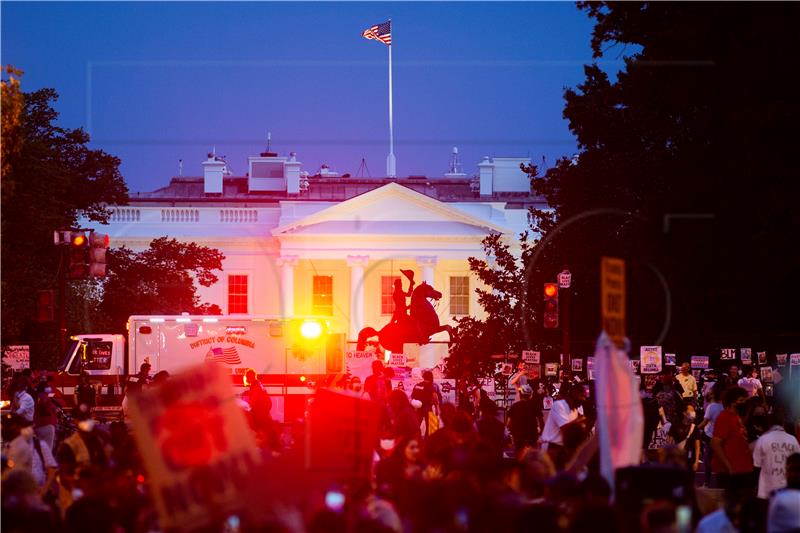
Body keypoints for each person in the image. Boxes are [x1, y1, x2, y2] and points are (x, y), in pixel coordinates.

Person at [712, 386, 754, 491]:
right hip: (731, 471)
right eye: (741, 400)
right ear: (732, 402)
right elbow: (715, 444)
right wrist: (729, 467)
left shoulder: (737, 418)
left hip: (742, 469)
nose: (744, 403)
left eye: (745, 400)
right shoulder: (725, 417)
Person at [753, 410, 800, 499]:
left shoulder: (763, 439)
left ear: (769, 424)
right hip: (787, 490)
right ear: (783, 423)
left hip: (766, 490)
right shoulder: (793, 439)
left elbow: (757, 464)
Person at [540, 382, 586, 470]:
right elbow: (566, 430)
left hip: (563, 449)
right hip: (552, 447)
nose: (583, 399)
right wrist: (580, 420)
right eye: (581, 396)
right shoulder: (559, 405)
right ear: (574, 394)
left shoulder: (576, 409)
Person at [697, 382, 726, 487]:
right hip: (719, 436)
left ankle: (706, 482)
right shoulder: (722, 406)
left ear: (713, 395)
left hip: (710, 436)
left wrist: (694, 428)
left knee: (707, 459)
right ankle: (720, 482)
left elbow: (705, 422)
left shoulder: (711, 407)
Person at [766, 453, 800, 533]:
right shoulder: (777, 496)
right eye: (791, 470)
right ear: (786, 472)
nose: (794, 475)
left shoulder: (777, 496)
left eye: (798, 470)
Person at [507, 384, 541, 454]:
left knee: (518, 456)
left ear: (520, 394)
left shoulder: (514, 406)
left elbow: (509, 423)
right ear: (530, 395)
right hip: (532, 436)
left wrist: (511, 434)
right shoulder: (535, 406)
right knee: (533, 458)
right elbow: (541, 421)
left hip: (518, 437)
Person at [33, 380, 58, 452]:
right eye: (48, 386)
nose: (49, 388)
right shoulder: (44, 397)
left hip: (40, 425)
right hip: (46, 425)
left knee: (42, 450)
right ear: (44, 388)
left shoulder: (39, 397)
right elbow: (44, 407)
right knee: (47, 451)